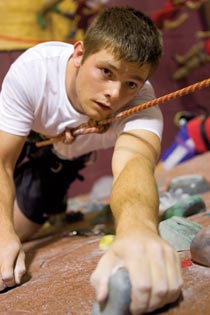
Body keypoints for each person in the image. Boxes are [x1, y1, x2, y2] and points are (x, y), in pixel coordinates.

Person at [0, 6, 183, 314]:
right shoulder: (34, 70)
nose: (114, 93)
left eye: (131, 83)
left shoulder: (143, 105)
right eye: (106, 72)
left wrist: (137, 229)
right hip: (28, 133)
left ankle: (49, 207)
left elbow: (134, 163)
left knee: (21, 230)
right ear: (79, 53)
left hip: (63, 160)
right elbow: (2, 162)